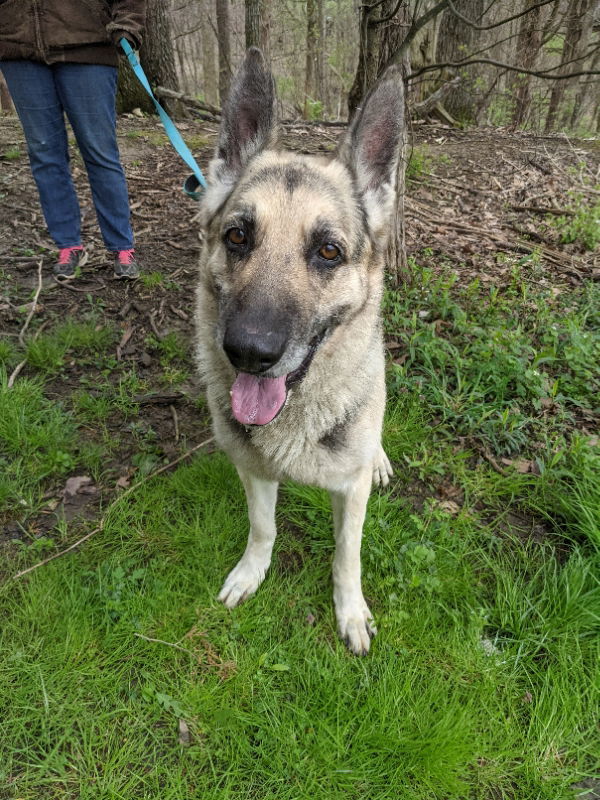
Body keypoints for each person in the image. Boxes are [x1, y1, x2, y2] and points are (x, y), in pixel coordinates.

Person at [0, 1, 146, 280]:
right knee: (44, 153)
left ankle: (121, 247)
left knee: (100, 152)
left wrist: (128, 24)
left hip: (86, 42)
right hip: (17, 45)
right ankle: (67, 245)